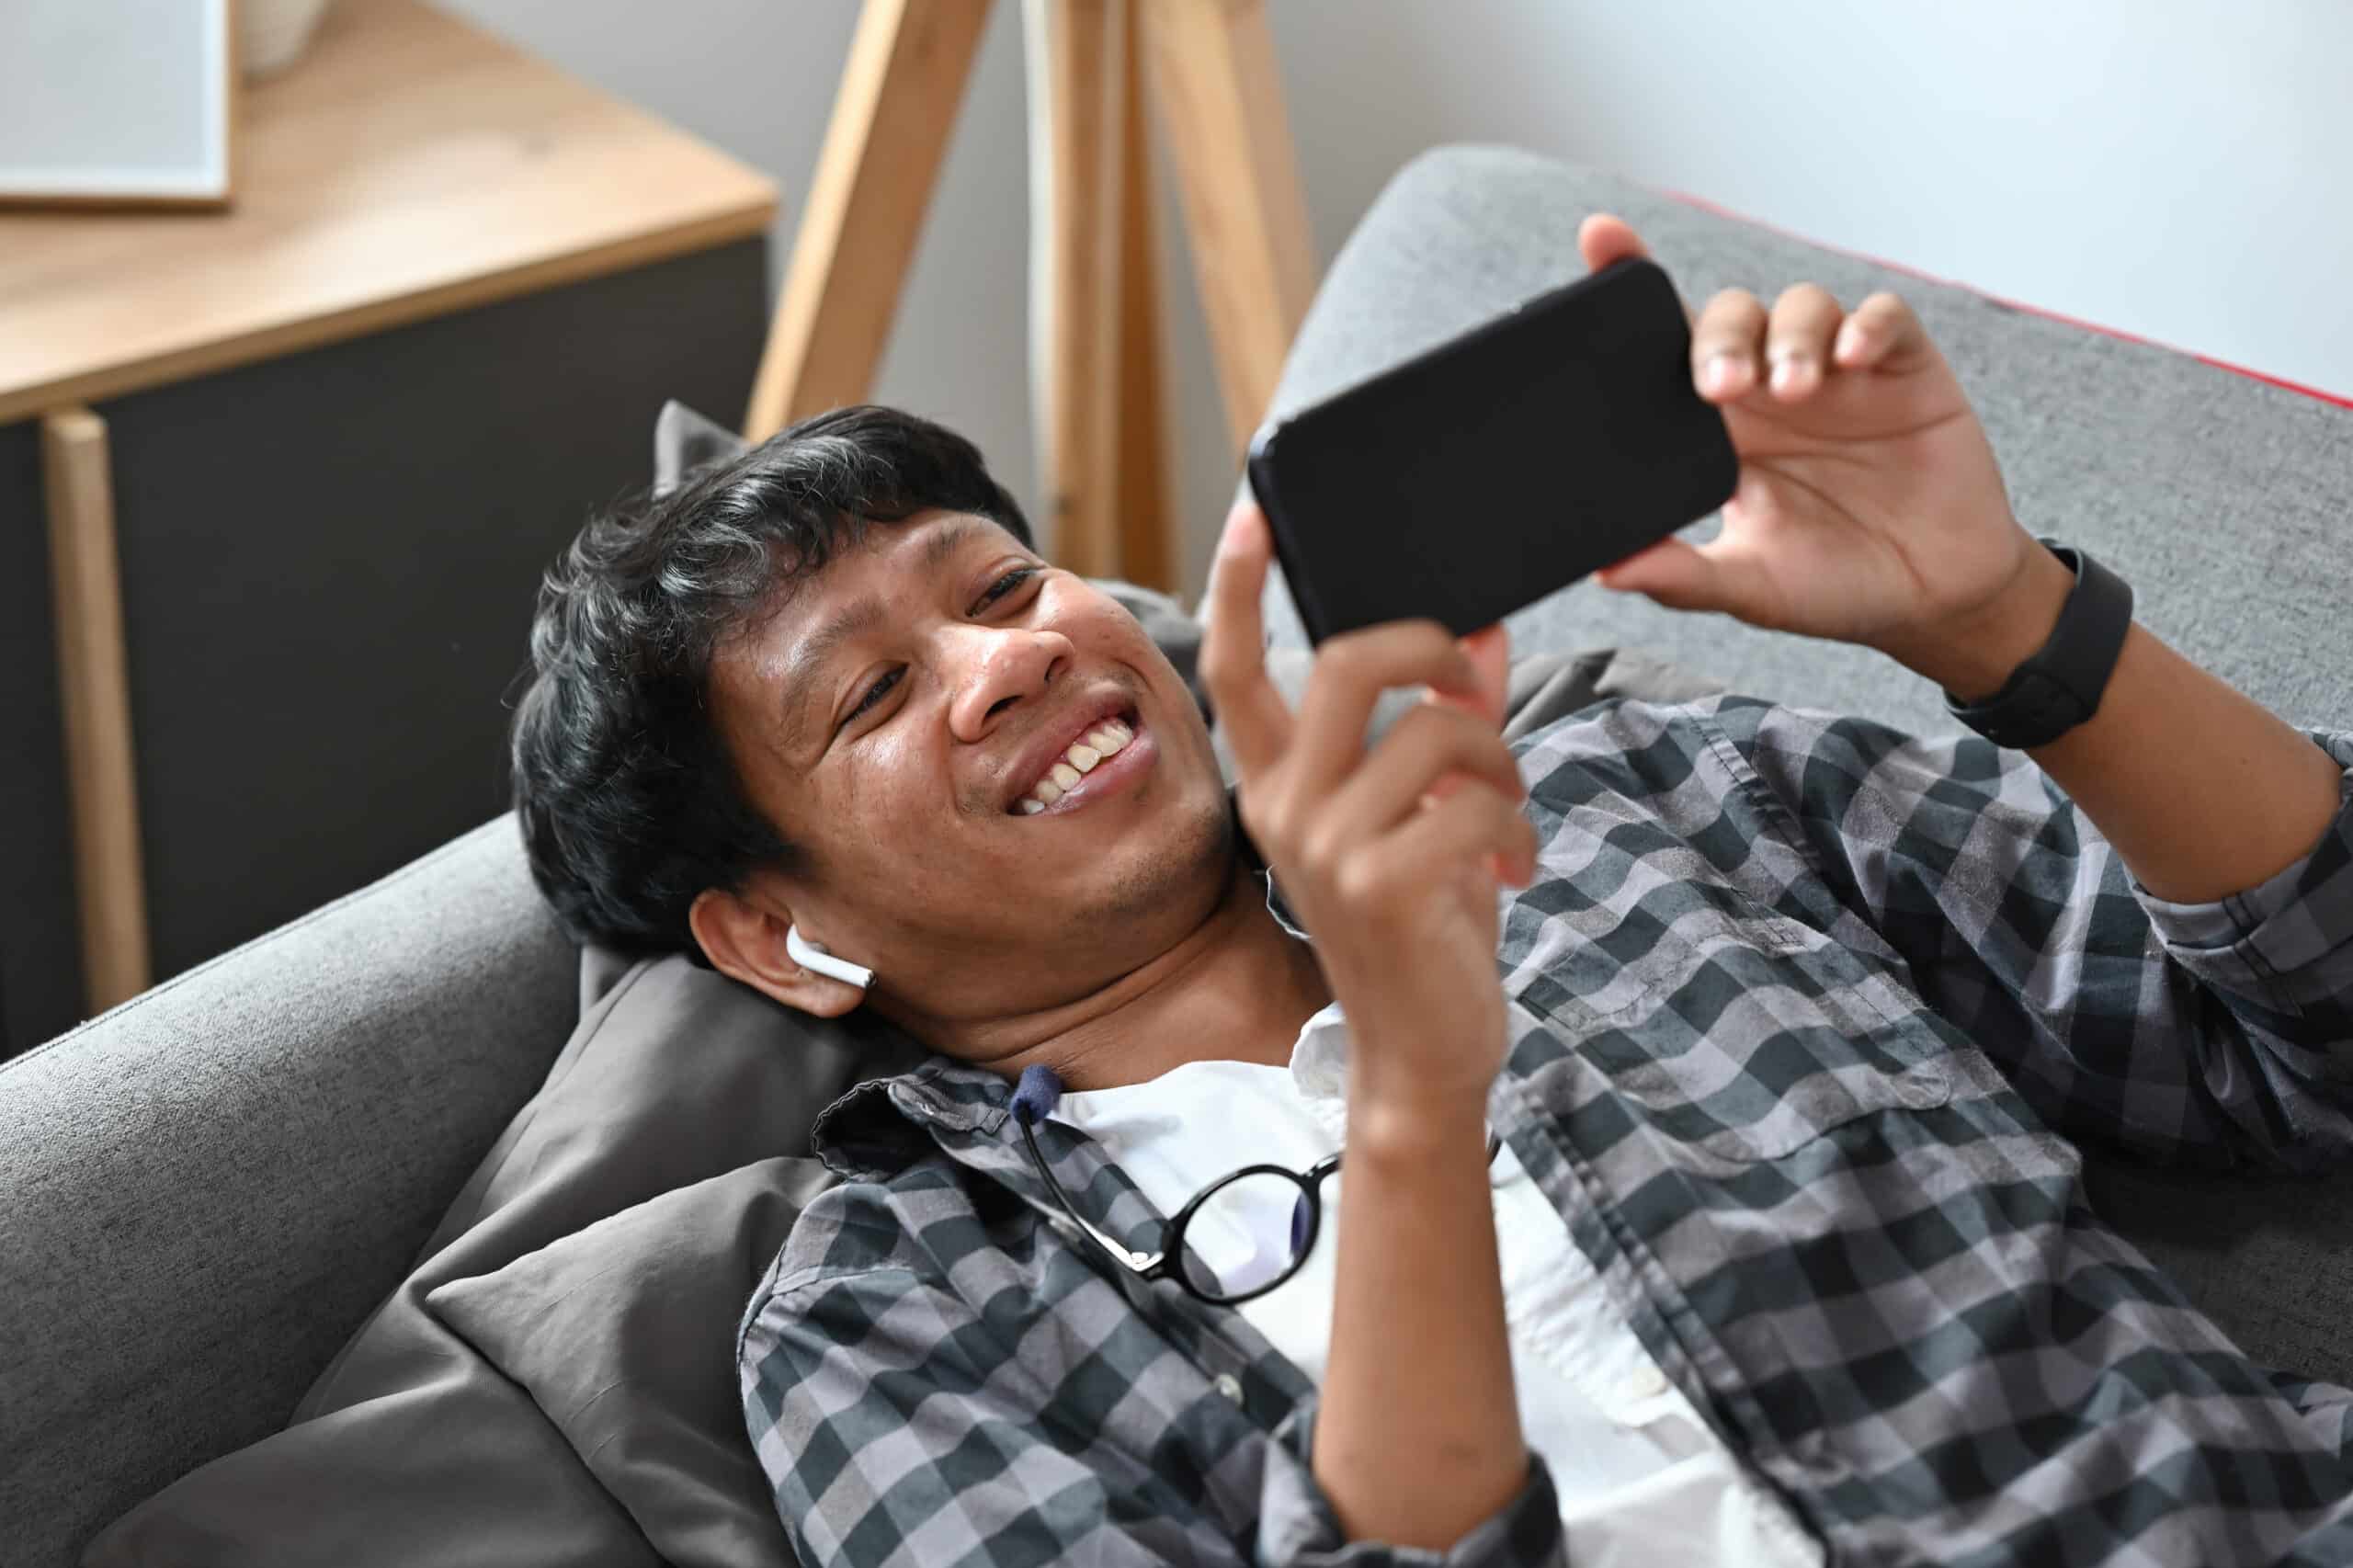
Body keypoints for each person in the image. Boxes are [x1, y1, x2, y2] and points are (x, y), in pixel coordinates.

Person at [508, 213, 2353, 1567]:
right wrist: (1407, 1087)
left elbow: (2303, 1043)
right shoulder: (886, 1328)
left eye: (994, 585)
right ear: (777, 936)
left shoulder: (1631, 800)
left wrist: (2008, 621)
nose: (1009, 660)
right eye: (876, 690)